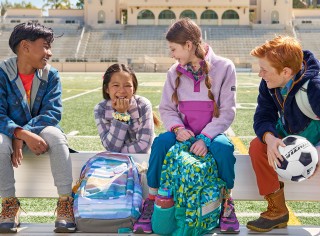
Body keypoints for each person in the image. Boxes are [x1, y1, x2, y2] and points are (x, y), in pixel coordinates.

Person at [133, 18, 239, 234]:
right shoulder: (174, 72)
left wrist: (206, 138)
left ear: (188, 45)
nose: (172, 54)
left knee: (224, 149)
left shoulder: (225, 67)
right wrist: (177, 129)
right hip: (183, 133)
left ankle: (226, 202)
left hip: (212, 133)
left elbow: (228, 111)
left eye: (174, 49)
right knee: (161, 143)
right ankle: (152, 200)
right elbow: (166, 109)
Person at [0, 22, 75, 233]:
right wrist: (19, 133)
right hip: (9, 133)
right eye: (45, 46)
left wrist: (24, 134)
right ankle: (9, 204)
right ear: (25, 46)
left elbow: (52, 113)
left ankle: (65, 203)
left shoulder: (51, 75)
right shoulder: (2, 73)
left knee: (56, 136)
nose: (49, 53)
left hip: (39, 131)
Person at [247, 35, 320, 232]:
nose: (260, 74)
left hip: (316, 137)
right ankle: (277, 210)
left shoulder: (315, 85)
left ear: (286, 71)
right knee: (257, 146)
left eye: (264, 70)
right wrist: (270, 139)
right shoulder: (269, 83)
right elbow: (263, 116)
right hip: (290, 134)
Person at [94, 63, 158, 153]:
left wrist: (117, 151)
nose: (122, 91)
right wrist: (121, 114)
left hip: (144, 160)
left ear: (134, 88)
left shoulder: (143, 105)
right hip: (118, 162)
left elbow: (144, 146)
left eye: (127, 85)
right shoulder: (101, 109)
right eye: (116, 85)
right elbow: (110, 147)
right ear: (106, 89)